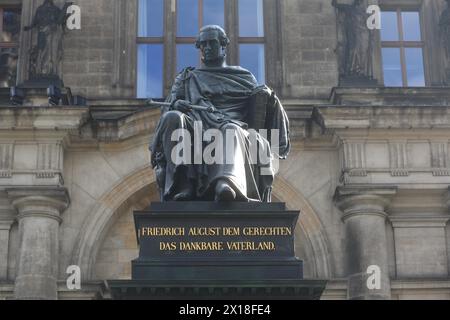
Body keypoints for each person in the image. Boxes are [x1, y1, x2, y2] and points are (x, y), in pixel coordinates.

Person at [150, 25, 290, 202]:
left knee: (230, 130)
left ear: (223, 45)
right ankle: (184, 185)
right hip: (196, 126)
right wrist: (176, 104)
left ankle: (226, 183)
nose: (207, 48)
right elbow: (167, 108)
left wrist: (270, 99)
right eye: (203, 44)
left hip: (232, 126)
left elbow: (261, 109)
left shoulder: (243, 76)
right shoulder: (187, 77)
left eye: (212, 43)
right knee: (172, 118)